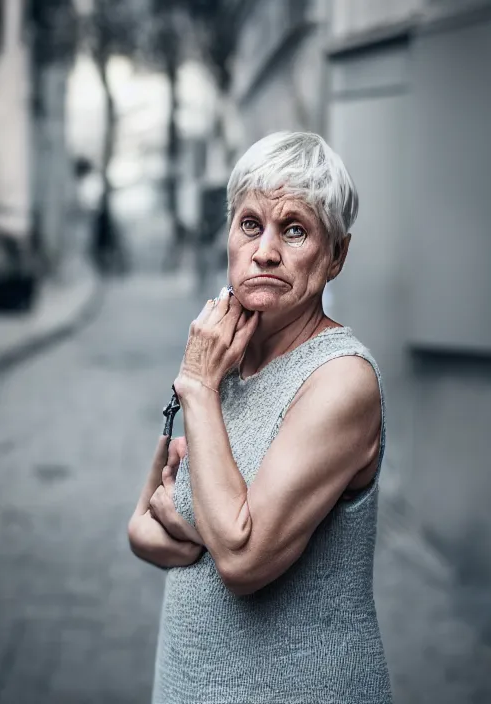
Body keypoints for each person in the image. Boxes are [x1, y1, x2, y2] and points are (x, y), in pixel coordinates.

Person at [128, 131, 393, 703]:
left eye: (294, 230)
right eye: (251, 225)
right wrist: (211, 520)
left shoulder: (340, 379)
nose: (265, 250)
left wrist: (197, 388)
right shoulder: (222, 355)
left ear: (336, 255)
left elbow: (243, 558)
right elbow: (143, 526)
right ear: (229, 237)